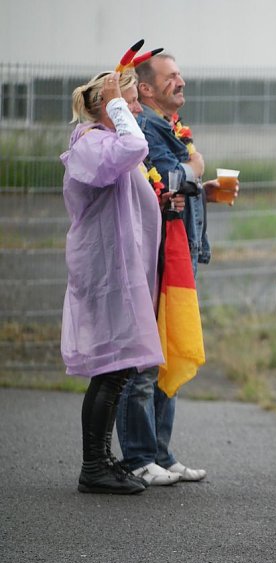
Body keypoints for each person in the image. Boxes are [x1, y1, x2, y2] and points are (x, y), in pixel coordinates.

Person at [116, 53, 223, 485]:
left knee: (167, 351)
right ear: (145, 89)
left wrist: (201, 187)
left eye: (180, 74)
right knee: (145, 361)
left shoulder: (169, 126)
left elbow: (175, 187)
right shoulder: (145, 127)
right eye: (171, 76)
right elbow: (164, 178)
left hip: (178, 255)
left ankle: (160, 453)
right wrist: (193, 170)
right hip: (156, 259)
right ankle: (140, 457)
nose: (181, 81)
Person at [61, 70, 160, 494]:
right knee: (110, 367)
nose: (137, 109)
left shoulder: (105, 142)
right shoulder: (91, 144)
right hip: (104, 271)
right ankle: (93, 466)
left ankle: (102, 459)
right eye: (130, 101)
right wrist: (118, 102)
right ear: (107, 106)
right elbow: (136, 145)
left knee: (118, 367)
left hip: (118, 270)